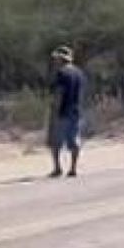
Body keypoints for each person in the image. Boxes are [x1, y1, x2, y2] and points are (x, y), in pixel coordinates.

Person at [48, 45, 85, 178]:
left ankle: (57, 168)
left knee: (56, 141)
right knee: (74, 140)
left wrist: (55, 112)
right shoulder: (79, 73)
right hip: (76, 111)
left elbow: (59, 93)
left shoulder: (61, 73)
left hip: (62, 111)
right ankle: (73, 168)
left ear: (61, 58)